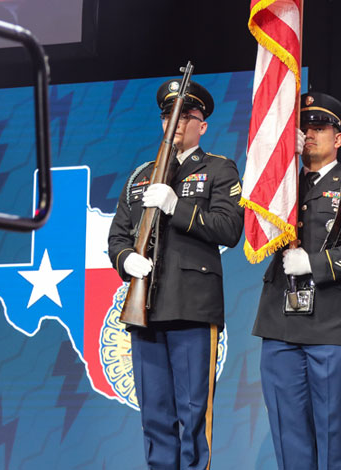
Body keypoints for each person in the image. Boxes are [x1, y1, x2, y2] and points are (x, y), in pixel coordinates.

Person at [107, 78, 244, 470]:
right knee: (154, 416)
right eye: (170, 114)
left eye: (188, 114)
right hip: (145, 309)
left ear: (203, 125)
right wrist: (124, 260)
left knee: (192, 416)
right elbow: (118, 235)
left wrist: (176, 207)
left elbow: (229, 229)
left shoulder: (218, 169)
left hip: (191, 309)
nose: (177, 121)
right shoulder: (140, 176)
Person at [252, 92, 341, 470]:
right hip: (280, 323)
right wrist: (281, 166)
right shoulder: (279, 187)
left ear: (337, 138)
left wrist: (315, 262)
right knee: (288, 435)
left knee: (331, 432)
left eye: (319, 128)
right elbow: (252, 225)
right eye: (305, 127)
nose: (309, 134)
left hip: (331, 324)